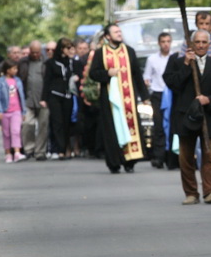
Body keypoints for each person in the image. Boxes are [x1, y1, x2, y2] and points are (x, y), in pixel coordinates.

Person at [163, 30, 211, 205]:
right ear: (191, 44)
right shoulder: (177, 62)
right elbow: (172, 83)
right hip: (186, 116)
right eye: (197, 42)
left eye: (204, 42)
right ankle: (191, 192)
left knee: (210, 156)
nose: (200, 45)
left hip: (210, 116)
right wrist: (185, 64)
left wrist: (210, 99)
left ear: (209, 44)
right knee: (186, 157)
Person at [89, 24, 149, 174]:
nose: (119, 34)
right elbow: (93, 74)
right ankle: (114, 162)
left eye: (120, 31)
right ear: (108, 36)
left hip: (128, 99)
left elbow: (137, 75)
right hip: (109, 101)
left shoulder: (129, 51)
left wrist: (145, 96)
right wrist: (107, 73)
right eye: (115, 32)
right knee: (112, 130)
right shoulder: (100, 53)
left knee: (130, 127)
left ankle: (130, 161)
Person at [42, 38, 77, 160]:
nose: (70, 50)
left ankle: (66, 148)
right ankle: (60, 150)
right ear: (62, 49)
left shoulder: (71, 62)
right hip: (55, 95)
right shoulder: (51, 63)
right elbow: (47, 81)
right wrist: (44, 98)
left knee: (67, 122)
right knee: (57, 122)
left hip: (68, 95)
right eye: (68, 48)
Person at [143, 32, 172, 169]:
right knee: (159, 126)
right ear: (159, 43)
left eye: (168, 41)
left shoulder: (175, 57)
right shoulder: (152, 59)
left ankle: (172, 157)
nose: (166, 44)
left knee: (172, 125)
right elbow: (147, 77)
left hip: (172, 93)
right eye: (163, 41)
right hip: (158, 94)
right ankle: (159, 157)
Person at [18, 40, 50, 161]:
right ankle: (29, 149)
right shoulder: (23, 62)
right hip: (28, 99)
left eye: (37, 52)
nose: (35, 54)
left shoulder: (46, 62)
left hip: (43, 99)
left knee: (43, 125)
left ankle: (40, 151)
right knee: (27, 124)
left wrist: (46, 98)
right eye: (33, 52)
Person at [0, 59, 26, 163]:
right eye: (14, 68)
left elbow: (22, 96)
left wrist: (23, 111)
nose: (16, 70)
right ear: (7, 70)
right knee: (6, 133)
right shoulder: (0, 81)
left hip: (16, 110)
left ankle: (17, 152)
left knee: (16, 131)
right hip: (5, 111)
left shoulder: (18, 81)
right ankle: (8, 154)